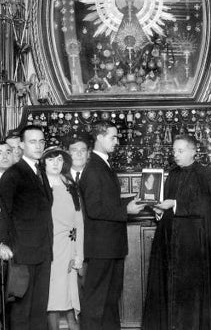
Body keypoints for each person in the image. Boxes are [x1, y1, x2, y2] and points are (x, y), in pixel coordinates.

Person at [143, 134, 211, 329]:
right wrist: (160, 211)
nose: (175, 155)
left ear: (194, 151)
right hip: (171, 241)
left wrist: (175, 204)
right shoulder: (173, 173)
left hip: (193, 244)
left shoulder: (204, 174)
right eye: (173, 151)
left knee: (191, 293)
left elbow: (205, 207)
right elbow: (166, 204)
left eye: (180, 151)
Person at [78, 121, 144, 330]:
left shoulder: (102, 165)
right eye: (113, 137)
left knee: (109, 300)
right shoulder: (94, 169)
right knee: (96, 301)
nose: (117, 141)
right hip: (102, 247)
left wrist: (135, 199)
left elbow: (108, 203)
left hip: (110, 246)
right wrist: (126, 210)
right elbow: (95, 209)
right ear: (99, 137)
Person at [0, 125, 53, 330]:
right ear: (21, 145)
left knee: (38, 310)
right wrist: (9, 247)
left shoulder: (39, 171)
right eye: (32, 141)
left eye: (41, 141)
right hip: (23, 255)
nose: (38, 146)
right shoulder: (14, 174)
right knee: (22, 312)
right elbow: (3, 214)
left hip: (42, 252)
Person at [40, 148, 84, 330]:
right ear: (43, 164)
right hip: (50, 250)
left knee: (70, 299)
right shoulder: (40, 187)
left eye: (59, 159)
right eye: (51, 160)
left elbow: (79, 222)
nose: (56, 163)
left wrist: (79, 255)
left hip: (70, 248)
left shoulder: (69, 185)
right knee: (53, 300)